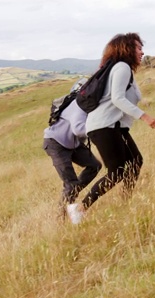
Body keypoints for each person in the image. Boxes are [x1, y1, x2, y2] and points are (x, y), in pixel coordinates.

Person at [66, 32, 155, 224]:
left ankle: (126, 203)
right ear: (127, 48)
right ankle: (80, 208)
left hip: (114, 127)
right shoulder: (122, 67)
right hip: (104, 127)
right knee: (116, 170)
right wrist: (145, 117)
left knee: (135, 161)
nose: (142, 52)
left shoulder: (123, 69)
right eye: (138, 48)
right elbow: (118, 99)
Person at [43, 78, 102, 220]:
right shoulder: (77, 105)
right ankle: (62, 218)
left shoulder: (86, 105)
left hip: (72, 144)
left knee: (94, 166)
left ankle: (72, 195)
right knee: (71, 183)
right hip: (56, 144)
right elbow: (79, 129)